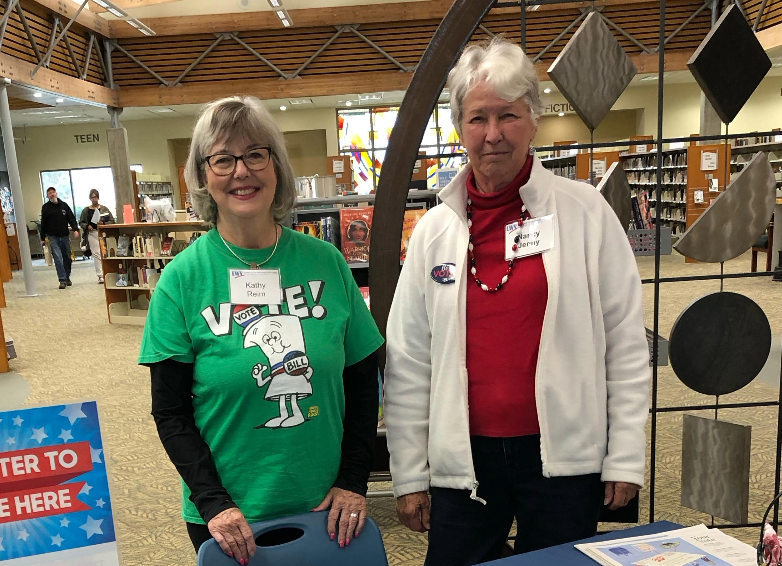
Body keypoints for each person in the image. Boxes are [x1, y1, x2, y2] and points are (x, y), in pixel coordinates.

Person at [383, 38, 651, 566]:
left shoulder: (586, 213)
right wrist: (410, 473)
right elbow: (409, 359)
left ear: (533, 119)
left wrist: (623, 457)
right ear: (460, 128)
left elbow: (624, 344)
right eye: (478, 117)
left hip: (563, 458)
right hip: (462, 460)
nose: (493, 133)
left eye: (508, 115)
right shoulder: (435, 231)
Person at [139, 95, 384, 565]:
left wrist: (354, 480)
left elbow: (361, 384)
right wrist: (214, 503)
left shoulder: (326, 263)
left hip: (327, 506)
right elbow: (170, 412)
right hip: (232, 519)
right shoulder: (182, 280)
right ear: (203, 176)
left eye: (255, 154)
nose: (241, 171)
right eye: (223, 159)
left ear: (276, 167)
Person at [39, 187, 79, 289]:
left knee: (67, 258)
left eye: (53, 192)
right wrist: (42, 238)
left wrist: (75, 229)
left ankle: (67, 277)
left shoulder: (64, 206)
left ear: (56, 193)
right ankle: (62, 280)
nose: (52, 195)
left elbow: (71, 218)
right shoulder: (45, 208)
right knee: (58, 258)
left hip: (65, 236)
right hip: (53, 237)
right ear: (47, 196)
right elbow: (43, 223)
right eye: (49, 193)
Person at [79, 189, 114, 284]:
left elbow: (112, 220)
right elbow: (81, 222)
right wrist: (87, 226)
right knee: (96, 253)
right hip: (92, 233)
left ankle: (108, 272)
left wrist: (104, 223)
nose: (94, 199)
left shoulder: (104, 209)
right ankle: (100, 275)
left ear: (98, 197)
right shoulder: (86, 210)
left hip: (102, 232)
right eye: (92, 197)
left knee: (105, 252)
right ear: (90, 198)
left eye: (95, 197)